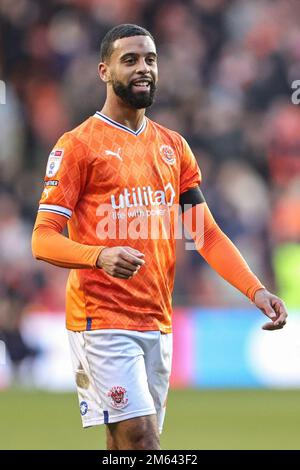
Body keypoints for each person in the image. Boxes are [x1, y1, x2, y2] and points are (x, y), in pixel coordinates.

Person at [31, 24, 288, 451]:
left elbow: (204, 233)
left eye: (149, 59)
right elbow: (42, 240)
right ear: (103, 71)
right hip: (102, 320)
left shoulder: (173, 146)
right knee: (143, 442)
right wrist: (99, 256)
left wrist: (255, 289)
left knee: (126, 447)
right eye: (129, 60)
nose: (143, 68)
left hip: (157, 321)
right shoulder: (77, 145)